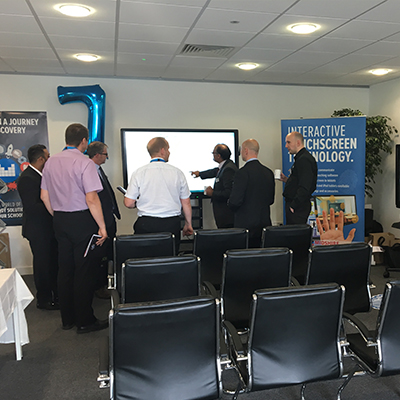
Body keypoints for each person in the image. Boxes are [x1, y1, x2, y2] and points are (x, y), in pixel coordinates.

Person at [40, 123, 108, 333]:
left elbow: (44, 196)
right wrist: (102, 227)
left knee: (65, 269)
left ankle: (67, 319)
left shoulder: (51, 162)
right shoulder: (85, 163)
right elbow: (92, 198)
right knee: (84, 271)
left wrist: (58, 215)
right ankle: (85, 321)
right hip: (81, 221)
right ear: (84, 141)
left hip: (60, 220)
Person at [124, 137, 193, 252]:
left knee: (145, 257)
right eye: (168, 149)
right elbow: (186, 202)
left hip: (146, 224)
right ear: (162, 150)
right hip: (171, 224)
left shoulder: (139, 172)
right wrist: (188, 224)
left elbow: (128, 203)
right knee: (169, 257)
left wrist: (140, 202)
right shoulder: (177, 173)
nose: (169, 152)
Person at [17, 144, 59, 310]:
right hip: (38, 230)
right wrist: (55, 205)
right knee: (43, 265)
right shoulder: (28, 178)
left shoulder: (40, 176)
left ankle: (54, 295)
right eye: (48, 156)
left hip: (47, 229)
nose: (49, 159)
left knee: (51, 263)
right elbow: (32, 207)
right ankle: (44, 299)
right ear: (41, 159)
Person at [87, 141, 121, 298]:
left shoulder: (99, 170)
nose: (107, 158)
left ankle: (106, 283)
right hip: (100, 221)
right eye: (105, 154)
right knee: (100, 254)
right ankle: (98, 286)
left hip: (109, 218)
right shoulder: (89, 172)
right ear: (97, 155)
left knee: (109, 252)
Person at [228, 139, 275, 247]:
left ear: (245, 150)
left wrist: (230, 205)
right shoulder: (268, 172)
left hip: (245, 226)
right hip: (264, 224)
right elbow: (271, 200)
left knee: (246, 255)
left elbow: (235, 201)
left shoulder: (242, 173)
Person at [191, 144, 237, 228]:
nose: (213, 155)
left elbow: (229, 192)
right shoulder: (225, 166)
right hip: (224, 215)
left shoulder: (228, 169)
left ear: (218, 156)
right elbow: (214, 172)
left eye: (213, 153)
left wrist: (212, 193)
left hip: (226, 215)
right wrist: (200, 174)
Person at [281, 131, 318, 225]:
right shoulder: (301, 158)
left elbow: (305, 186)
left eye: (288, 142)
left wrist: (294, 205)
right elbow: (299, 181)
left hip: (298, 208)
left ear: (298, 142)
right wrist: (286, 180)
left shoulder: (304, 159)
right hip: (297, 206)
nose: (286, 146)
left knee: (295, 233)